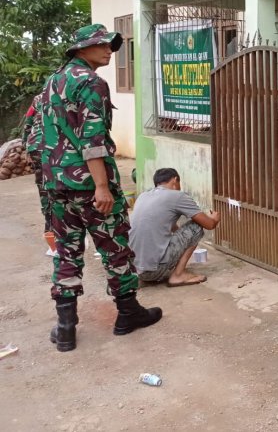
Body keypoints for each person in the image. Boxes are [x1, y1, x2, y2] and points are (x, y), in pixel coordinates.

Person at [39, 24, 162, 352]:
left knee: (67, 251)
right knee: (115, 248)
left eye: (112, 44)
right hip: (89, 187)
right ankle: (128, 313)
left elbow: (38, 135)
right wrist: (102, 187)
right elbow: (93, 140)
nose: (110, 50)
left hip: (57, 186)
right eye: (102, 44)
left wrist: (48, 184)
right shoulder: (92, 83)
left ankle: (65, 328)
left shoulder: (53, 82)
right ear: (81, 48)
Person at [129, 168, 221, 287]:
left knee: (182, 233)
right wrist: (214, 218)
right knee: (196, 227)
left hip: (135, 270)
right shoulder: (177, 196)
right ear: (175, 180)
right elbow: (208, 225)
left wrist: (183, 244)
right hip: (154, 271)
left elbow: (168, 225)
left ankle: (161, 266)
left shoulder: (143, 196)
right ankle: (178, 275)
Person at [22, 93, 54, 256]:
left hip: (36, 147)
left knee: (44, 191)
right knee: (59, 189)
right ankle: (60, 233)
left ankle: (49, 231)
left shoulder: (37, 98)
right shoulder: (65, 94)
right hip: (55, 148)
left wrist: (25, 145)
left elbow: (28, 122)